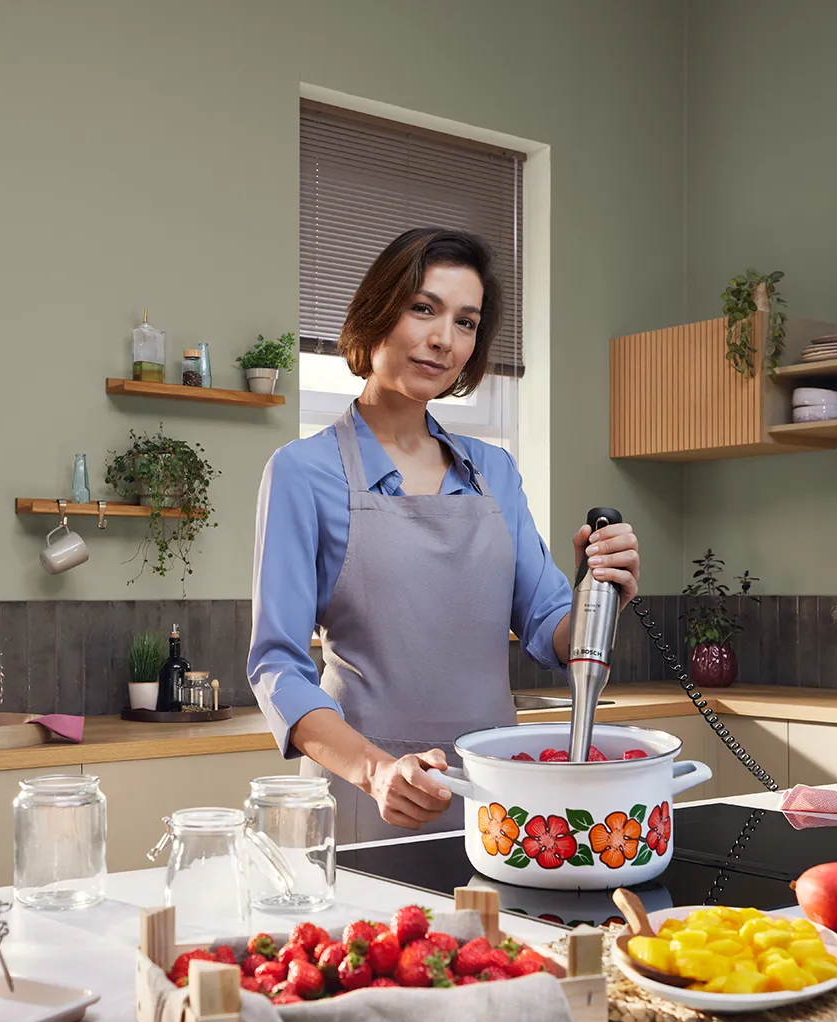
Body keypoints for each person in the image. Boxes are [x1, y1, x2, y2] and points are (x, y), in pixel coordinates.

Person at [247, 228, 641, 844]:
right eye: (423, 309)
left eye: (466, 322)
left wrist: (600, 590)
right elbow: (277, 665)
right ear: (377, 311)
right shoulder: (303, 472)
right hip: (373, 801)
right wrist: (377, 772)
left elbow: (553, 632)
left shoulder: (495, 473)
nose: (443, 339)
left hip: (504, 805)